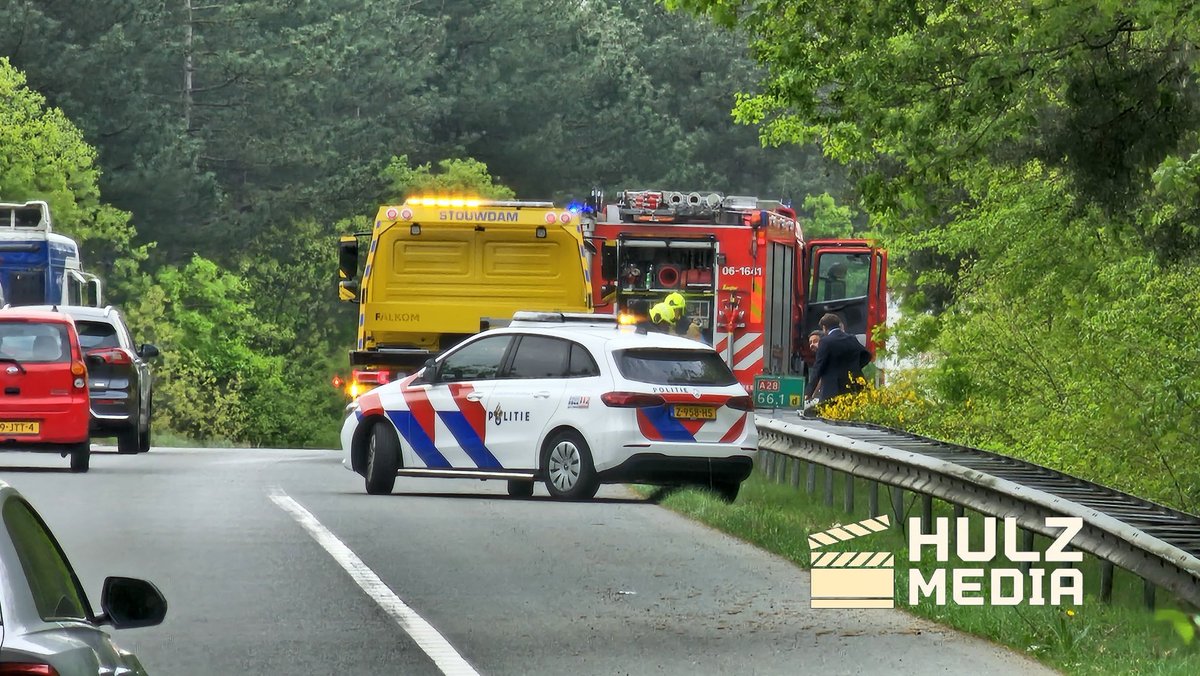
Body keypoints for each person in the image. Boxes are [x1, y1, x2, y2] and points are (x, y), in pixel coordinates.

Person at [804, 312, 871, 405]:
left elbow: (818, 367)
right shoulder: (851, 338)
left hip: (832, 389)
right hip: (852, 386)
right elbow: (867, 356)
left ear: (824, 327)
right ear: (839, 324)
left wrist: (809, 392)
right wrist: (855, 367)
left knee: (829, 416)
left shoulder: (825, 341)